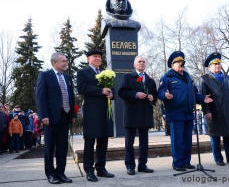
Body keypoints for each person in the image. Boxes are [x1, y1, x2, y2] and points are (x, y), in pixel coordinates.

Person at [158, 51, 213, 171]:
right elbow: (160, 92)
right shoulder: (167, 77)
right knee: (177, 140)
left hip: (188, 112)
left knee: (187, 140)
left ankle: (186, 162)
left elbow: (194, 94)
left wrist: (203, 98)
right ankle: (178, 163)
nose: (181, 63)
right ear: (172, 65)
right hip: (175, 112)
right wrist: (165, 95)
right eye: (178, 62)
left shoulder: (188, 77)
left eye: (182, 62)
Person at [36, 52, 76, 184]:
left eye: (66, 61)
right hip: (50, 119)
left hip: (65, 117)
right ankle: (50, 174)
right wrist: (44, 115)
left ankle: (60, 173)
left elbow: (71, 97)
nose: (65, 63)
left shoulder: (68, 77)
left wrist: (73, 114)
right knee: (49, 148)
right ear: (54, 63)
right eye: (63, 61)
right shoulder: (45, 75)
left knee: (62, 147)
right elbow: (40, 97)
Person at [77, 49, 115, 182]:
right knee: (90, 141)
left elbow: (112, 88)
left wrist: (111, 93)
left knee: (103, 141)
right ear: (88, 59)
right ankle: (89, 170)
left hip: (105, 110)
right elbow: (81, 88)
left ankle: (101, 168)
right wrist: (101, 91)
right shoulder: (83, 72)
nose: (98, 58)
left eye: (99, 56)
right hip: (92, 111)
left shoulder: (105, 73)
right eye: (95, 56)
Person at [200, 52, 229, 166]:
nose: (217, 66)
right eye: (214, 64)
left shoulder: (227, 78)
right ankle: (218, 158)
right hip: (215, 112)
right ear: (210, 66)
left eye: (218, 63)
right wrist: (207, 111)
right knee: (215, 135)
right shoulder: (205, 79)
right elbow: (204, 97)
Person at [118, 56, 157, 175]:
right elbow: (122, 92)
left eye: (144, 62)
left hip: (145, 114)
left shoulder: (150, 80)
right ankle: (130, 166)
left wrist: (152, 97)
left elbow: (155, 96)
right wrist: (135, 94)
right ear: (134, 65)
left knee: (144, 142)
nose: (142, 63)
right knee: (129, 142)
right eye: (139, 62)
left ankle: (142, 165)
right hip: (132, 114)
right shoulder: (127, 77)